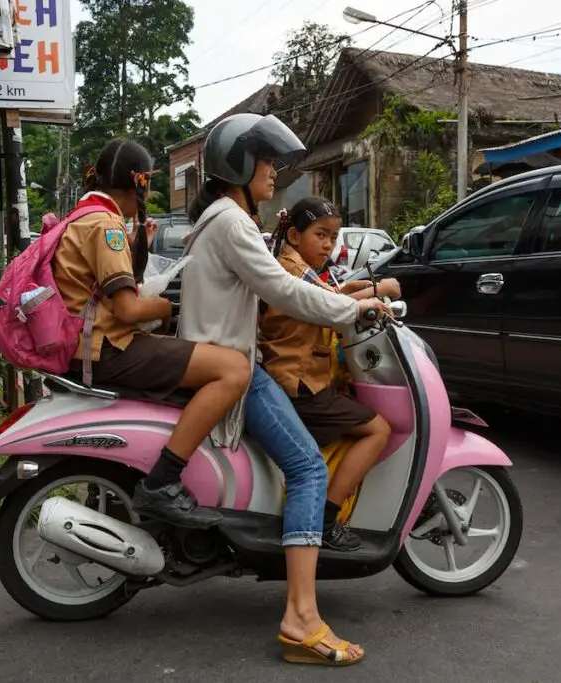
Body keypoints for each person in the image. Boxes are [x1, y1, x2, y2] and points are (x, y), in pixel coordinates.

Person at [178, 113, 388, 666]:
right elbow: (285, 291)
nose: (274, 174)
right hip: (241, 369)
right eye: (268, 163)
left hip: (234, 362)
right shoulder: (233, 223)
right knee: (309, 470)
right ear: (242, 165)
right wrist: (354, 306)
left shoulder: (215, 220)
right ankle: (301, 618)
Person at [52, 138, 250, 528]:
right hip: (105, 349)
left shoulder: (81, 216)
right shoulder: (104, 225)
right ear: (138, 184)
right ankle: (161, 481)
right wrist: (165, 307)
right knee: (234, 369)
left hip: (90, 345)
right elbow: (128, 309)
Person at [259, 197, 400, 552]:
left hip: (299, 378)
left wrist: (361, 291)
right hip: (301, 383)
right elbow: (328, 303)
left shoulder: (293, 264)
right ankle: (327, 518)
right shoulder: (290, 270)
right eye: (320, 234)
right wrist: (379, 291)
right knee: (378, 428)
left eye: (333, 237)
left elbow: (330, 293)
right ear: (293, 234)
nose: (328, 244)